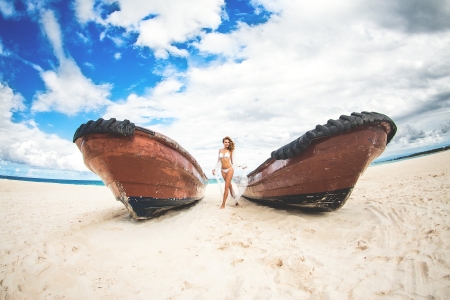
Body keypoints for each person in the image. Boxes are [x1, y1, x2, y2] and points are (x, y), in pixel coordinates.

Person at [212, 136, 238, 209]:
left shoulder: (231, 151)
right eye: (225, 142)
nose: (227, 143)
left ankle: (223, 204)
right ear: (223, 143)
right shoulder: (220, 150)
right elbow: (218, 161)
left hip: (230, 169)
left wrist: (240, 166)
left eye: (228, 142)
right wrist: (214, 169)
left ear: (229, 143)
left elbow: (233, 161)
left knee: (226, 186)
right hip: (222, 170)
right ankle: (236, 201)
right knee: (230, 186)